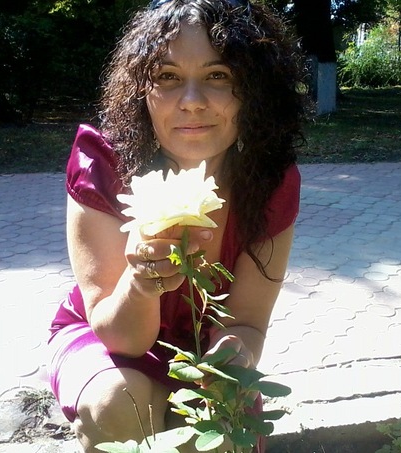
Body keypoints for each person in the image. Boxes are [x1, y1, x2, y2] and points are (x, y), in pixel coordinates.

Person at [47, 0, 306, 451]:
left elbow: (247, 323)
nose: (191, 102)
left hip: (203, 352)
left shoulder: (271, 184)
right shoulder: (101, 166)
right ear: (140, 91)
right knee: (117, 402)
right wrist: (141, 284)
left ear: (255, 89)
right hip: (106, 339)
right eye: (167, 77)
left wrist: (226, 367)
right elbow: (119, 336)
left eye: (218, 75)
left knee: (220, 428)